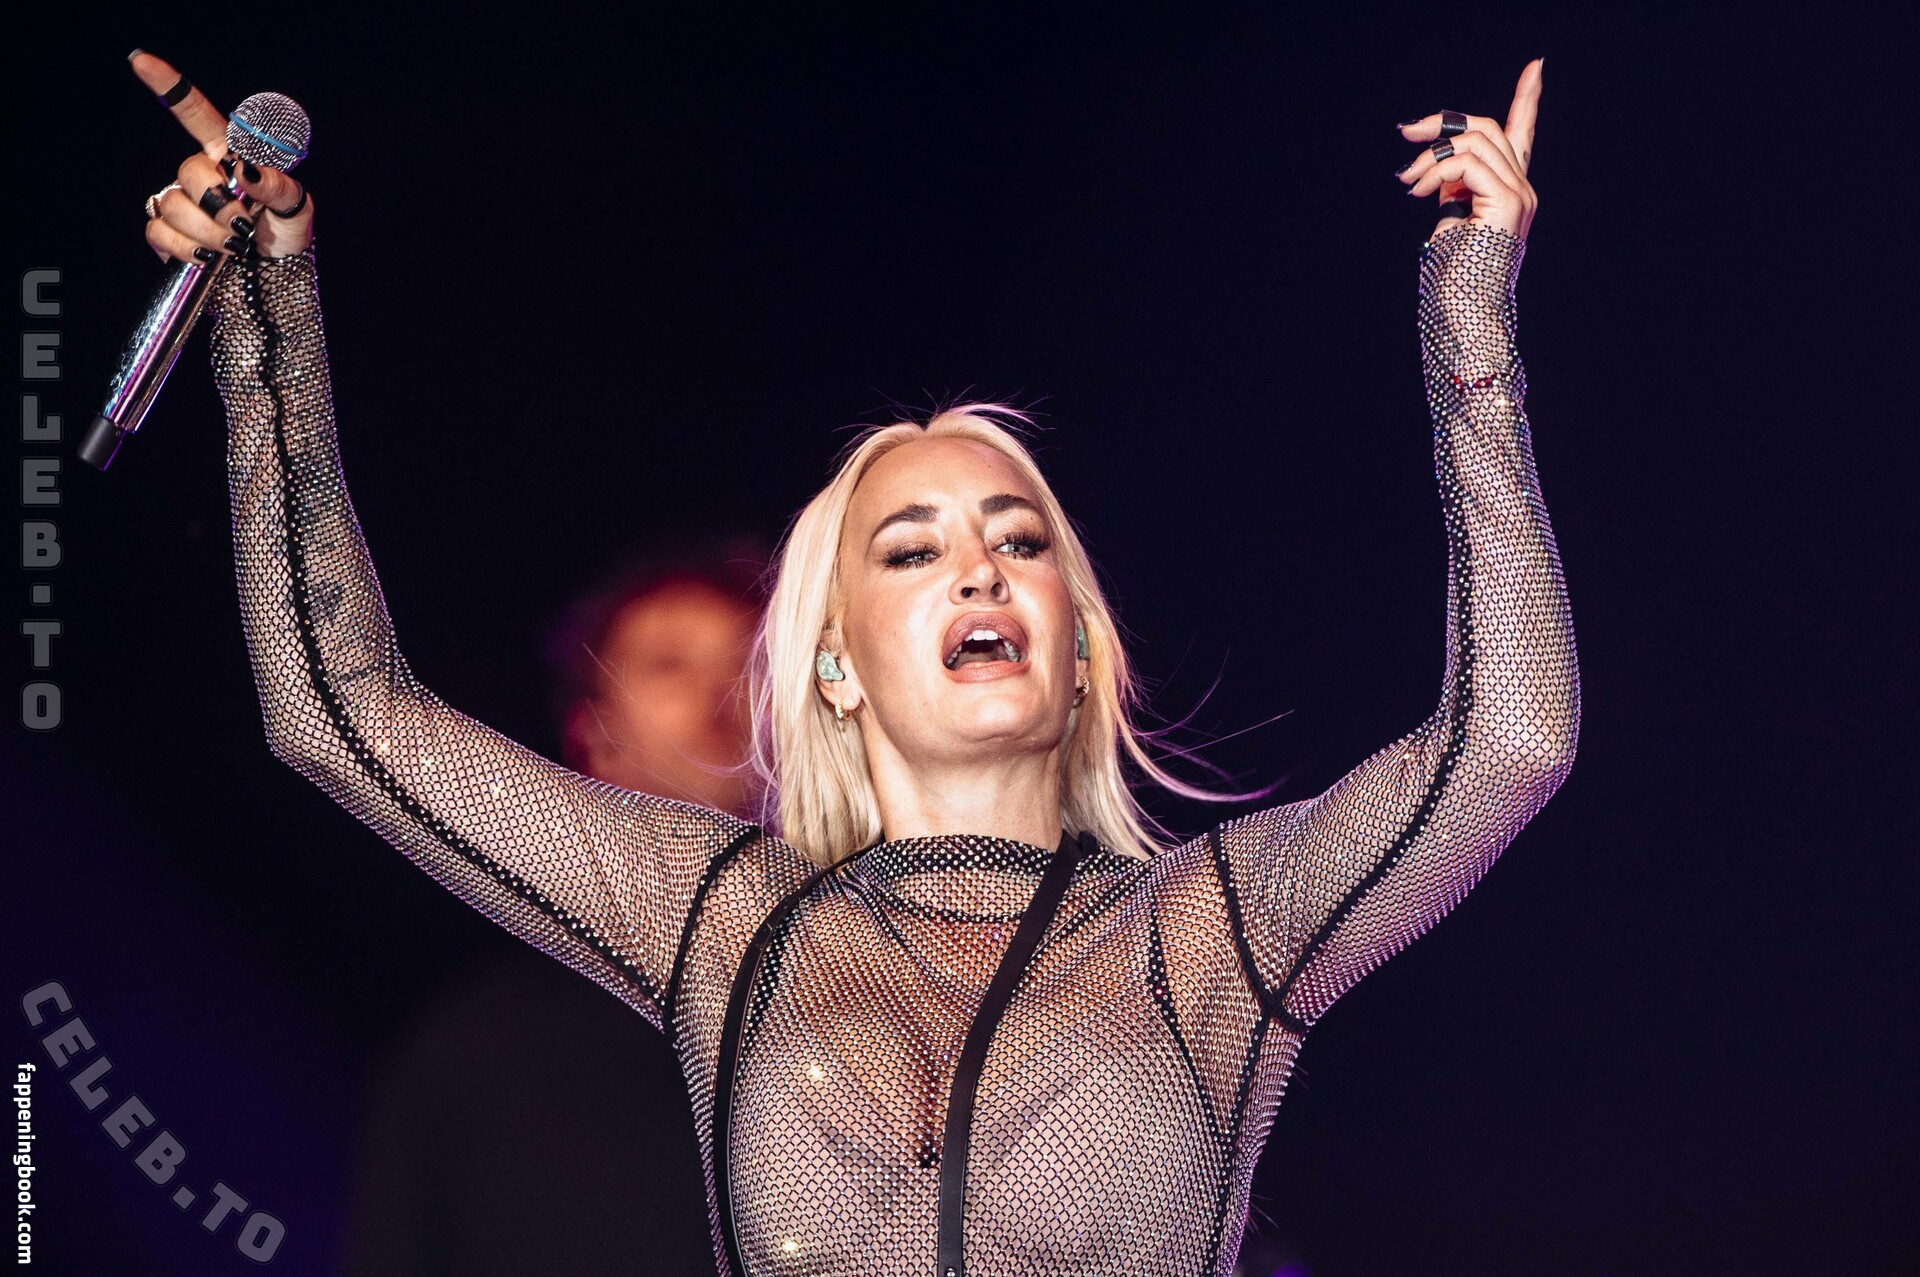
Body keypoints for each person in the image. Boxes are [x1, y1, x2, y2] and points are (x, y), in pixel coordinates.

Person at [136, 49, 1576, 1277]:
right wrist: (271, 300)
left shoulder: (1213, 930)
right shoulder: (725, 920)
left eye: (1020, 541)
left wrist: (1469, 321)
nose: (979, 568)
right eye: (911, 548)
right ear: (834, 666)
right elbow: (340, 714)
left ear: (1079, 653)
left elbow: (1509, 740)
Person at [344, 539, 767, 1276]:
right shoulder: (476, 1056)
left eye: (749, 668)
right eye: (671, 666)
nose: (723, 695)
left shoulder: (860, 989)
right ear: (593, 735)